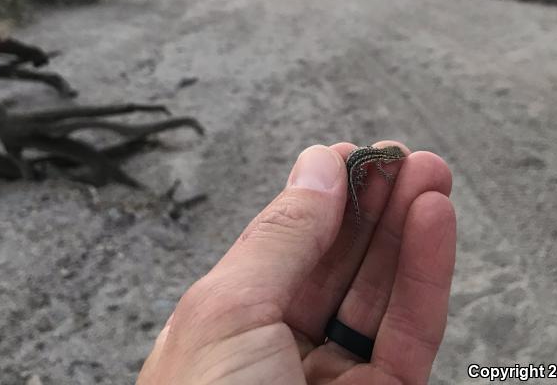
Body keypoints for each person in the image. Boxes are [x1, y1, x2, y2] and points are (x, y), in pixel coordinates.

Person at [138, 141, 456, 384]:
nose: (393, 163)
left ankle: (356, 216)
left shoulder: (376, 162)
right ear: (386, 159)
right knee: (360, 208)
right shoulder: (373, 163)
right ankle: (354, 215)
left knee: (366, 210)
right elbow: (367, 169)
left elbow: (372, 168)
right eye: (391, 162)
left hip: (356, 171)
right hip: (352, 173)